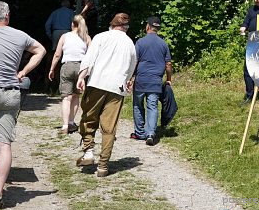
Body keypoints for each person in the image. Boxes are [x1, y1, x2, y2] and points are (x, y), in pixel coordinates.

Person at [0, 1, 45, 208]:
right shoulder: (21, 36)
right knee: (5, 146)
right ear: (8, 16)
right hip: (10, 96)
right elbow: (41, 50)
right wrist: (23, 72)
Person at [75, 12, 137, 177]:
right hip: (117, 88)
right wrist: (128, 81)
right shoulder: (130, 43)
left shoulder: (101, 37)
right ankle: (103, 166)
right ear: (126, 27)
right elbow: (132, 67)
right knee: (109, 128)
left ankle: (88, 151)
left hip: (97, 83)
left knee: (88, 117)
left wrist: (81, 77)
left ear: (112, 25)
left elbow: (90, 59)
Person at [130, 16, 172, 146]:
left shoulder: (140, 42)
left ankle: (139, 132)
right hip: (155, 81)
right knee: (152, 106)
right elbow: (168, 64)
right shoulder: (163, 44)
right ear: (158, 28)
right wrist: (169, 79)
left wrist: (131, 77)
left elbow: (135, 61)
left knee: (138, 105)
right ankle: (150, 133)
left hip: (141, 80)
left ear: (147, 26)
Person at [48, 14, 91, 134]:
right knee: (76, 96)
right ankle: (72, 122)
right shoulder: (86, 37)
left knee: (66, 98)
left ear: (72, 24)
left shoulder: (65, 36)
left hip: (67, 66)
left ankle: (65, 125)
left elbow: (57, 54)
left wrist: (52, 69)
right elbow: (91, 55)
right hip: (81, 67)